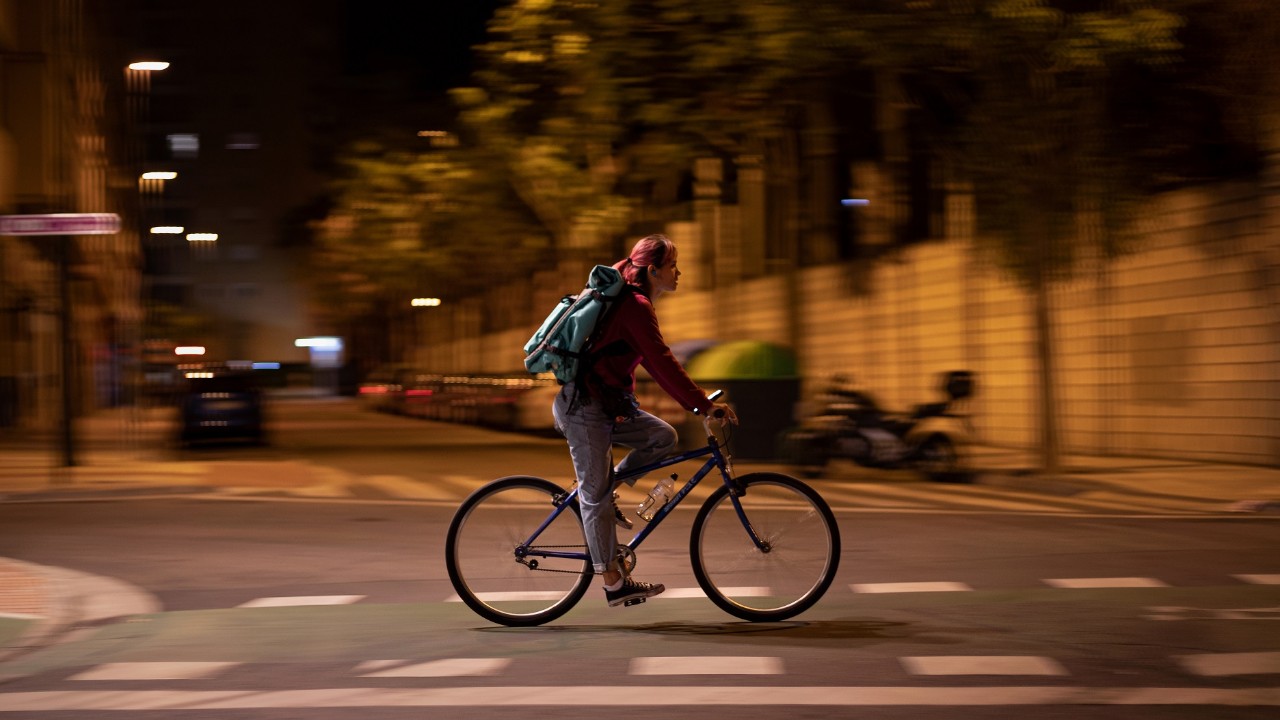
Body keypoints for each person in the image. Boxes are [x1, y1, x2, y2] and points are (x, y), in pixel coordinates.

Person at [553, 233, 738, 607]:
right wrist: (701, 405)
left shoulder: (631, 301)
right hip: (584, 406)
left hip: (607, 403)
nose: (679, 272)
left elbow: (656, 361)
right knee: (596, 497)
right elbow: (661, 361)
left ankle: (606, 489)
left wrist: (698, 403)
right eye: (672, 266)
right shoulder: (634, 305)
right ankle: (612, 581)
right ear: (652, 270)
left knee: (662, 437)